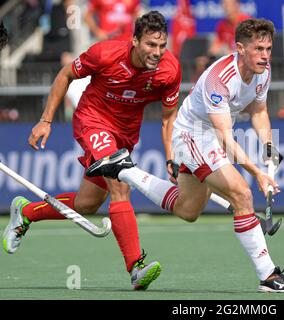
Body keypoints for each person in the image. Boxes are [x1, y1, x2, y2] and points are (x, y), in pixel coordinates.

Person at [86, 18, 284, 293]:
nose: (265, 55)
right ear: (239, 48)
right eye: (259, 49)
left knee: (187, 210)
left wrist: (268, 146)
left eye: (269, 49)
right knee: (242, 194)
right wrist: (257, 173)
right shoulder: (219, 78)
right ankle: (269, 276)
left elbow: (259, 111)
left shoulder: (263, 71)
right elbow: (225, 136)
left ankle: (123, 169)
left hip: (209, 136)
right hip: (193, 135)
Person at [2, 11, 182, 290]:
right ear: (134, 40)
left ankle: (26, 212)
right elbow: (65, 75)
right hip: (93, 121)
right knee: (120, 185)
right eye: (150, 44)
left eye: (161, 46)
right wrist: (46, 120)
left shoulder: (169, 70)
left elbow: (169, 118)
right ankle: (136, 267)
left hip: (125, 134)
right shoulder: (105, 54)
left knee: (87, 204)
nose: (156, 52)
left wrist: (170, 157)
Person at [193, 0, 251, 81]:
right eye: (224, 5)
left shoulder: (247, 23)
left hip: (245, 62)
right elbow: (216, 45)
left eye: (228, 5)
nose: (226, 8)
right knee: (202, 62)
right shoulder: (222, 25)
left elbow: (251, 48)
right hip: (229, 61)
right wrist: (207, 57)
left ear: (237, 5)